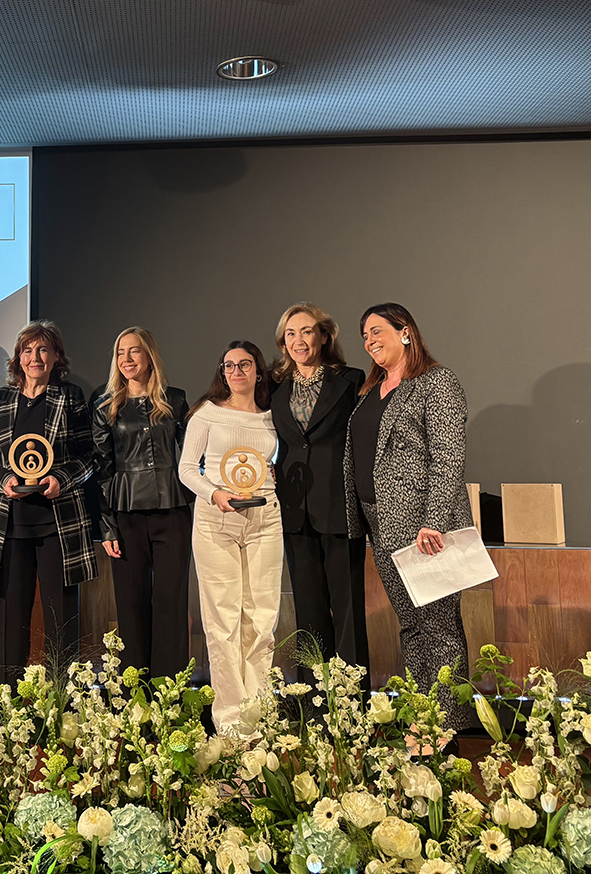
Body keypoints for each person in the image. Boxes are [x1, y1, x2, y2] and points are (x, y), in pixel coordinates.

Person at [343, 302, 474, 729]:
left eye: (377, 331)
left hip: (423, 527)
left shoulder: (436, 382)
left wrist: (434, 519)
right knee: (411, 625)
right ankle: (424, 716)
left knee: (439, 626)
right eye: (365, 335)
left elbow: (448, 457)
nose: (369, 341)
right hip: (380, 523)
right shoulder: (371, 391)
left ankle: (447, 727)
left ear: (405, 332)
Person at [0, 320, 98, 682]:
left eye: (43, 350)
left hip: (59, 525)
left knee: (62, 619)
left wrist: (61, 479)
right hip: (9, 526)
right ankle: (7, 701)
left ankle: (61, 699)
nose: (35, 357)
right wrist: (4, 480)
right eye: (27, 350)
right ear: (18, 358)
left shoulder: (69, 397)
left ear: (56, 356)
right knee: (11, 620)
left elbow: (88, 456)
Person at [179, 340, 282, 731]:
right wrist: (215, 494)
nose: (237, 372)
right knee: (222, 623)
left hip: (265, 520)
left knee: (262, 620)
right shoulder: (207, 414)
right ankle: (231, 722)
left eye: (245, 364)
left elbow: (274, 461)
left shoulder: (272, 416)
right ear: (222, 372)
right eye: (229, 366)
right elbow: (187, 469)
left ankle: (259, 715)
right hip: (215, 521)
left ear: (259, 371)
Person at [270, 304, 369, 674]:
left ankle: (352, 700)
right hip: (295, 510)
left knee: (347, 610)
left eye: (307, 331)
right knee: (308, 611)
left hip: (339, 506)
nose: (299, 340)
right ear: (283, 342)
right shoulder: (274, 388)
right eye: (290, 334)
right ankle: (313, 698)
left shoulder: (351, 380)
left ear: (324, 336)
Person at [91, 327, 193, 679]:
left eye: (134, 351)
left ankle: (170, 691)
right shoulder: (105, 406)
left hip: (173, 511)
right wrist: (107, 527)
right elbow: (101, 469)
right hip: (126, 515)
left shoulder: (175, 400)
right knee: (131, 604)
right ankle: (135, 693)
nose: (127, 359)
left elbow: (195, 456)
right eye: (121, 352)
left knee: (171, 602)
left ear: (150, 356)